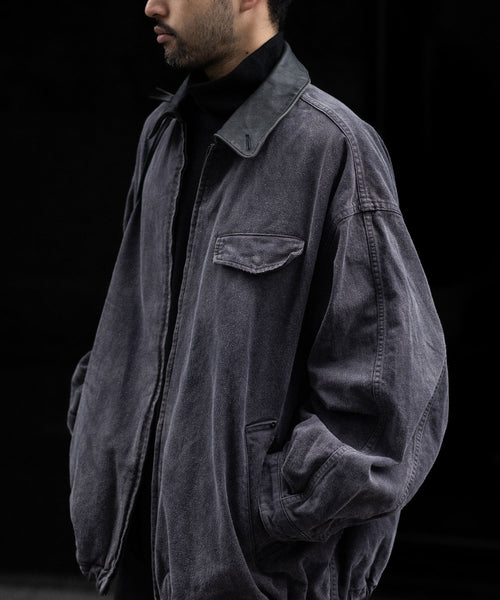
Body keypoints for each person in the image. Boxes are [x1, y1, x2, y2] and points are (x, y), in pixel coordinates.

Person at [67, 0, 449, 599]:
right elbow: (131, 325)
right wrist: (95, 439)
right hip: (131, 565)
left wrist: (274, 507)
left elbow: (389, 392)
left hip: (256, 577)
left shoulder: (333, 146)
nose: (151, 5)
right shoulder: (162, 135)